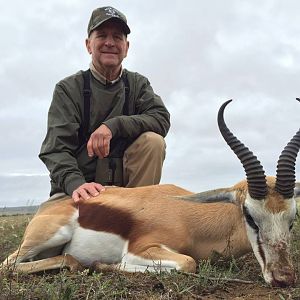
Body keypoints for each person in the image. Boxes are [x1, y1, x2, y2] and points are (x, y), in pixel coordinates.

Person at [39, 6, 170, 203]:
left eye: (117, 37)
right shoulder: (67, 89)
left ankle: (139, 214)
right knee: (46, 232)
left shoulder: (138, 84)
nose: (110, 42)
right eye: (101, 35)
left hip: (126, 192)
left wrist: (113, 126)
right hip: (79, 190)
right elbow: (56, 150)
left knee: (153, 142)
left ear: (126, 47)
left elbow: (161, 118)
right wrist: (76, 184)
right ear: (88, 45)